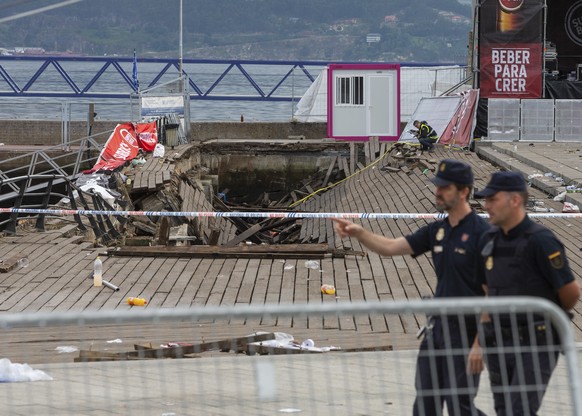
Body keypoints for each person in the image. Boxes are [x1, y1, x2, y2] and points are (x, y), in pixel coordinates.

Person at [333, 159, 489, 416]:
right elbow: (392, 247)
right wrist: (359, 233)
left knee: (460, 406)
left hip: (467, 331)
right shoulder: (438, 230)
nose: (437, 192)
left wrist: (479, 344)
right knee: (425, 403)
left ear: (464, 191)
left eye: (445, 187)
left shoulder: (482, 233)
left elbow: (491, 293)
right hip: (437, 329)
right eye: (437, 186)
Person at [474, 171, 580, 415]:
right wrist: (480, 340)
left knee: (520, 410)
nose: (486, 205)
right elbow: (487, 291)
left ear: (515, 200)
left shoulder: (540, 241)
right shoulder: (489, 239)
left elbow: (570, 291)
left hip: (535, 341)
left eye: (492, 199)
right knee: (504, 409)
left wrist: (546, 314)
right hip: (498, 340)